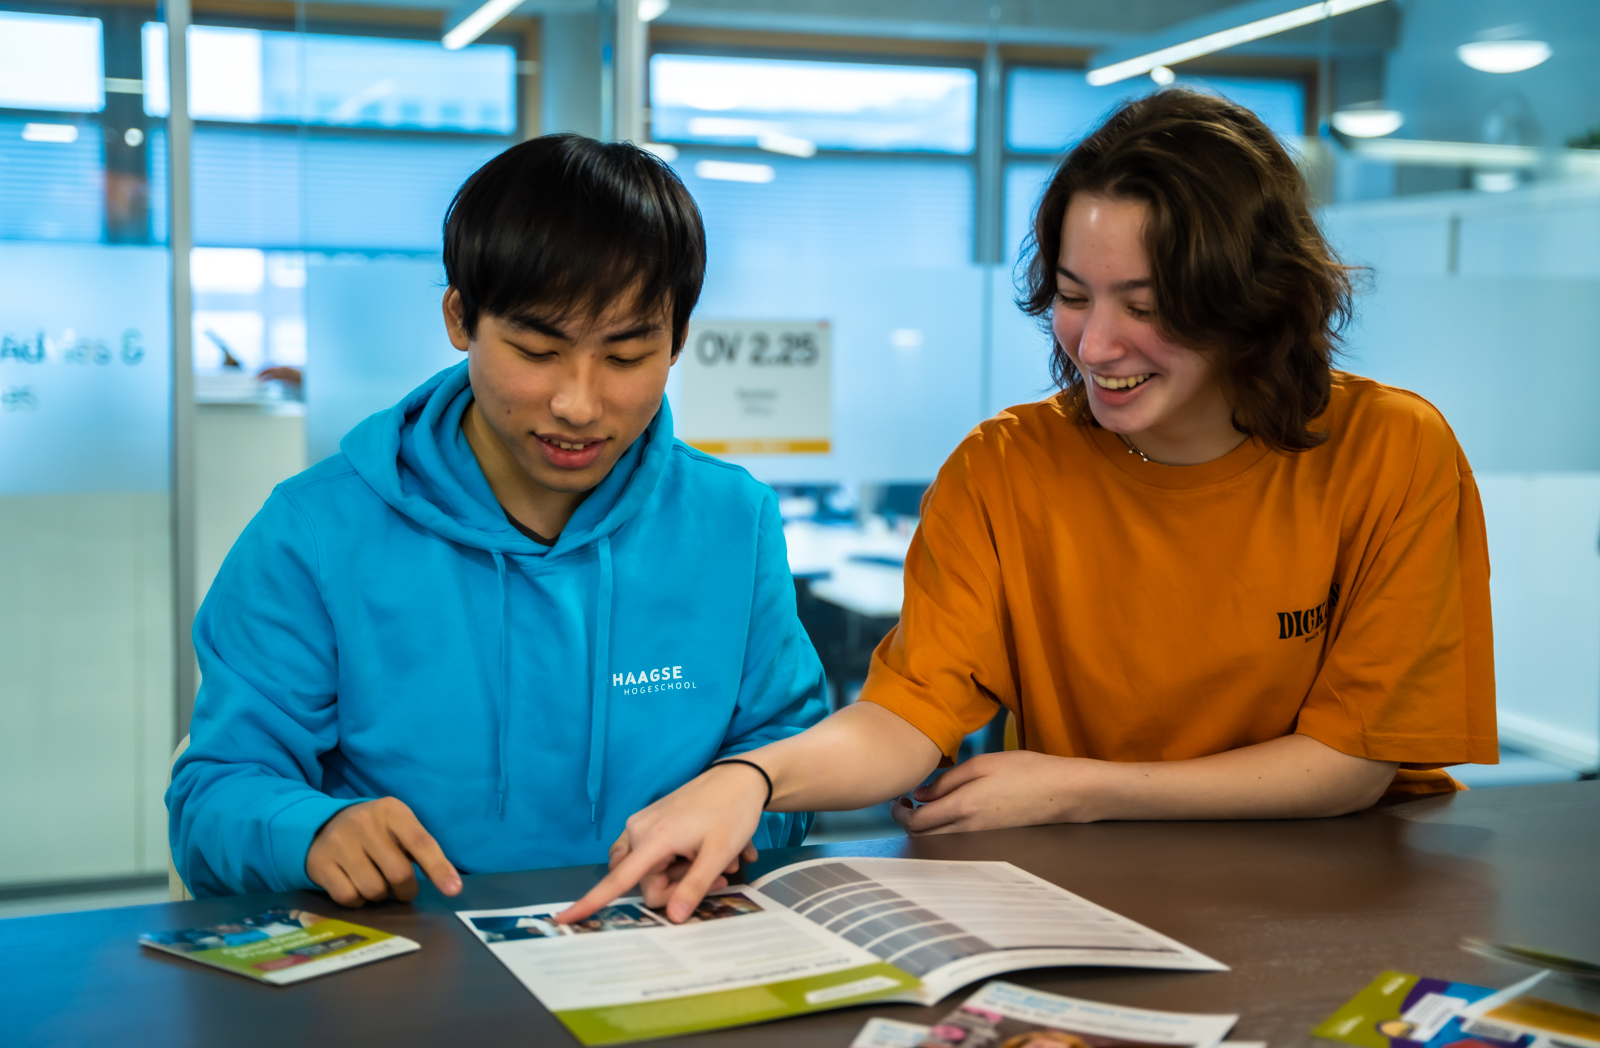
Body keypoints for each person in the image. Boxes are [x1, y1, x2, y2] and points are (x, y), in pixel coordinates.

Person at [560, 89, 1497, 927]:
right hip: (1100, 892)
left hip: (1344, 892)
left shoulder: (1391, 450)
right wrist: (753, 777)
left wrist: (1072, 788)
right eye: (1073, 295)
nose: (1095, 343)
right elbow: (905, 718)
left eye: (1146, 303)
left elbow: (1350, 764)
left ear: (1252, 300)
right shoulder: (1004, 469)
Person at [167, 134, 826, 904]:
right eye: (537, 350)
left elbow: (791, 760)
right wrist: (308, 829)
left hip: (656, 947)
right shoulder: (317, 531)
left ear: (677, 341)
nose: (578, 404)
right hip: (422, 971)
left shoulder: (730, 522)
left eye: (624, 358)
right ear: (460, 317)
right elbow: (215, 790)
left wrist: (741, 811)